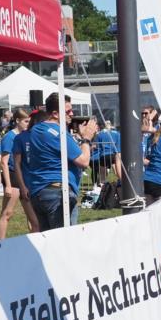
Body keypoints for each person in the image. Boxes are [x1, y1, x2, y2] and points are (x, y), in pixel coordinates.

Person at [28, 93, 97, 231]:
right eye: (67, 111)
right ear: (55, 113)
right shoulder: (59, 133)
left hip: (39, 192)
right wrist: (86, 139)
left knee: (48, 241)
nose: (72, 114)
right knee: (65, 242)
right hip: (58, 194)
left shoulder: (36, 129)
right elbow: (83, 161)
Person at [0, 108, 32, 240]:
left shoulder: (26, 135)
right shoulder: (9, 137)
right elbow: (4, 162)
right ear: (17, 121)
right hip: (12, 176)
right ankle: (0, 244)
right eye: (26, 121)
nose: (28, 124)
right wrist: (8, 185)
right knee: (7, 213)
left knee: (31, 213)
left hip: (24, 176)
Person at [12, 109, 46, 233]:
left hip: (44, 186)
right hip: (28, 186)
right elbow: (17, 163)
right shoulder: (21, 137)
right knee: (35, 224)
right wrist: (22, 186)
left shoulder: (46, 136)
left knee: (44, 224)